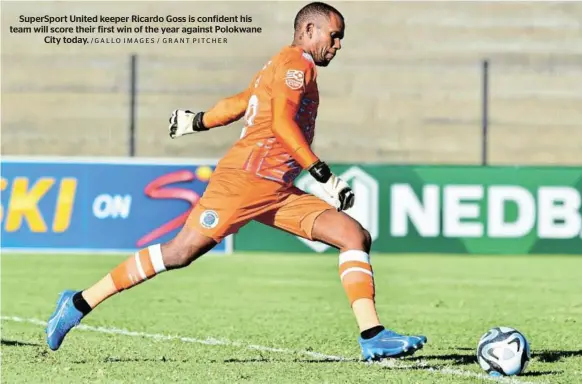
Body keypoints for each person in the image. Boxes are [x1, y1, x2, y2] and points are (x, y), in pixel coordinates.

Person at [46, 1, 427, 361]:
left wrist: (196, 121)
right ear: (310, 29)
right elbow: (280, 123)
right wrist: (323, 175)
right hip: (246, 180)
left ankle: (372, 335)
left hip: (275, 187)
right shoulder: (298, 64)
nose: (338, 45)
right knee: (179, 253)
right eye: (335, 35)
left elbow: (241, 102)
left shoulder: (278, 65)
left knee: (353, 235)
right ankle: (79, 302)